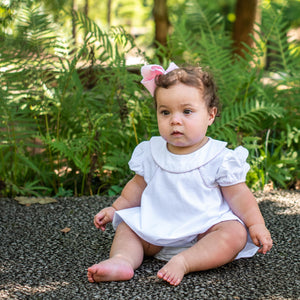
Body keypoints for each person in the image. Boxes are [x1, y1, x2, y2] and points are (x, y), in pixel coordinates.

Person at [87, 63, 273, 286]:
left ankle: (184, 261)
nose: (175, 120)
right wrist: (116, 209)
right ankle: (121, 261)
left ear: (210, 115)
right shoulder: (152, 152)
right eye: (165, 112)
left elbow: (240, 197)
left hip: (204, 232)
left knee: (234, 233)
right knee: (128, 228)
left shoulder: (219, 157)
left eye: (187, 111)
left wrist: (255, 225)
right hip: (156, 229)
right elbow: (136, 187)